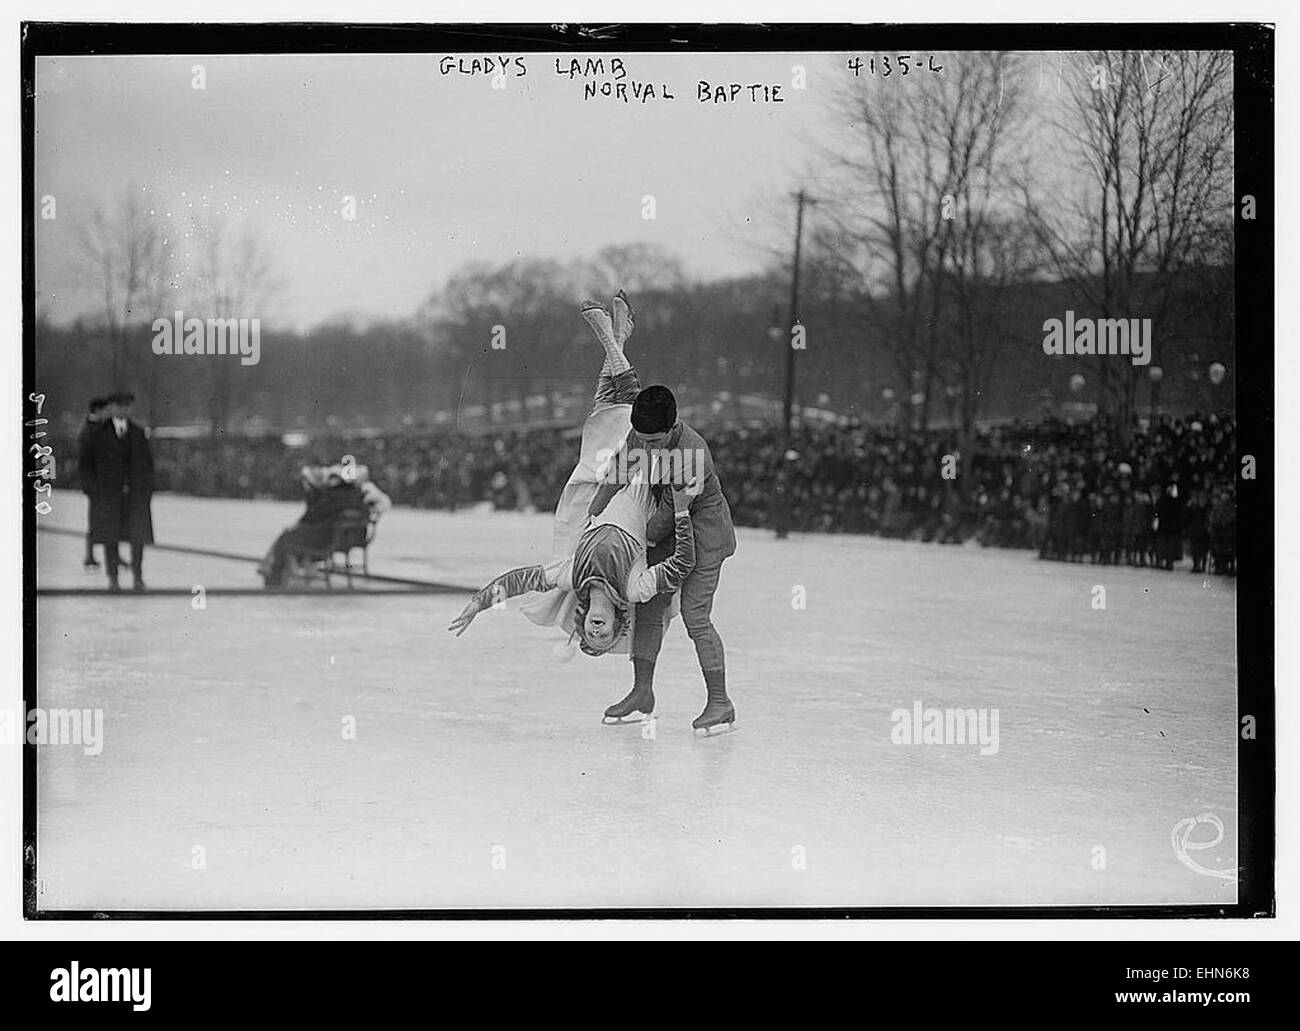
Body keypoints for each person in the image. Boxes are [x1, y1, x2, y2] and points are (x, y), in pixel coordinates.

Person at [447, 292, 697, 659]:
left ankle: (617, 338)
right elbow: (680, 566)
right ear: (617, 623)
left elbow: (519, 580)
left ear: (581, 622)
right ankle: (610, 337)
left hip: (593, 488)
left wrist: (478, 603)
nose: (596, 632)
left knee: (604, 409)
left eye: (589, 635)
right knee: (633, 411)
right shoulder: (635, 588)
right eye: (605, 636)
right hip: (636, 485)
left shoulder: (571, 576)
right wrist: (682, 513)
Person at [587, 380, 738, 735]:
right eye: (642, 439)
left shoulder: (692, 456)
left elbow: (664, 520)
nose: (648, 447)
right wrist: (593, 518)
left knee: (695, 616)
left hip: (704, 534)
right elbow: (617, 474)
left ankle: (721, 702)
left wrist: (628, 541)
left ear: (673, 426)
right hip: (669, 530)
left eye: (655, 442)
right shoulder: (642, 434)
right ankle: (642, 692)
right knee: (650, 610)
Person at [78, 391, 154, 593]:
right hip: (108, 497)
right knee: (110, 539)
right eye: (118, 406)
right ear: (111, 408)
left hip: (134, 497)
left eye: (126, 406)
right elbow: (86, 465)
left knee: (137, 539)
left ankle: (138, 577)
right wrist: (93, 491)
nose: (123, 410)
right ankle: (113, 579)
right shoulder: (97, 434)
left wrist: (146, 492)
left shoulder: (138, 433)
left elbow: (147, 465)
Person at [259, 463, 367, 586]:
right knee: (290, 535)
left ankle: (274, 576)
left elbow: (311, 516)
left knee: (286, 538)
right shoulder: (355, 497)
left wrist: (314, 494)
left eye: (333, 478)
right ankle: (277, 569)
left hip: (325, 540)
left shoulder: (334, 497)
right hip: (340, 539)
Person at [76, 396, 109, 570]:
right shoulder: (91, 430)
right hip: (96, 485)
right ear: (98, 410)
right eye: (105, 410)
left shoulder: (93, 428)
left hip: (99, 485)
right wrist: (90, 484)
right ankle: (90, 555)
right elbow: (85, 461)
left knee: (103, 519)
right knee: (97, 519)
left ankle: (97, 555)